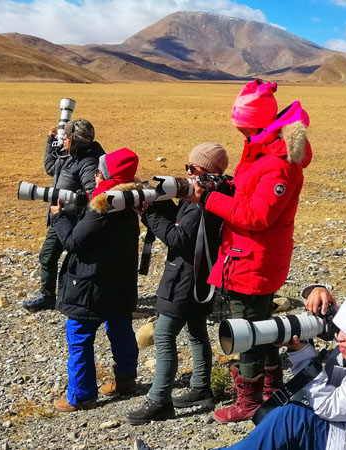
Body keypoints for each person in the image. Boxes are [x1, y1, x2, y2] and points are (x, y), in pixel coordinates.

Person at [188, 78, 313, 423]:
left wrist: (208, 199)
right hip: (245, 254)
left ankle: (250, 401)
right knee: (262, 326)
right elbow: (247, 198)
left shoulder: (279, 163)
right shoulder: (261, 150)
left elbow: (257, 216)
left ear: (258, 123)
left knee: (247, 331)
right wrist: (226, 189)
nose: (242, 135)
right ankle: (271, 392)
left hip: (254, 259)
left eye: (244, 128)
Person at [217, 286, 346, 450]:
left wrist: (303, 356)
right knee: (287, 419)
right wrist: (318, 290)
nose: (339, 336)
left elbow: (328, 406)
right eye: (340, 328)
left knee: (291, 417)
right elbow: (340, 318)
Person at [126, 143, 229, 424]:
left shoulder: (204, 199)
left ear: (207, 172)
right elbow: (182, 223)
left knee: (163, 335)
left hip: (185, 278)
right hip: (201, 278)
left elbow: (179, 238)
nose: (186, 173)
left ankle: (160, 400)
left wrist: (149, 214)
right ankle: (200, 388)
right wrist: (159, 201)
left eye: (191, 169)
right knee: (196, 331)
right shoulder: (209, 195)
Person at [50, 146, 142, 412]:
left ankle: (81, 395)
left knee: (79, 335)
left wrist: (59, 218)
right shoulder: (127, 202)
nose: (96, 177)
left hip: (91, 285)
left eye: (99, 172)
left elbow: (75, 242)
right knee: (121, 329)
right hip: (120, 282)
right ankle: (126, 381)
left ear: (108, 176)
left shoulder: (103, 205)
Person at [23, 119, 106, 312]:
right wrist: (50, 142)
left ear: (76, 140)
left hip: (72, 221)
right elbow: (51, 168)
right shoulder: (70, 155)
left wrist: (71, 202)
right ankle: (51, 295)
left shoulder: (89, 162)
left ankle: (66, 297)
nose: (64, 140)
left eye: (66, 137)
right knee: (49, 256)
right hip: (61, 217)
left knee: (66, 259)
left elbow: (94, 194)